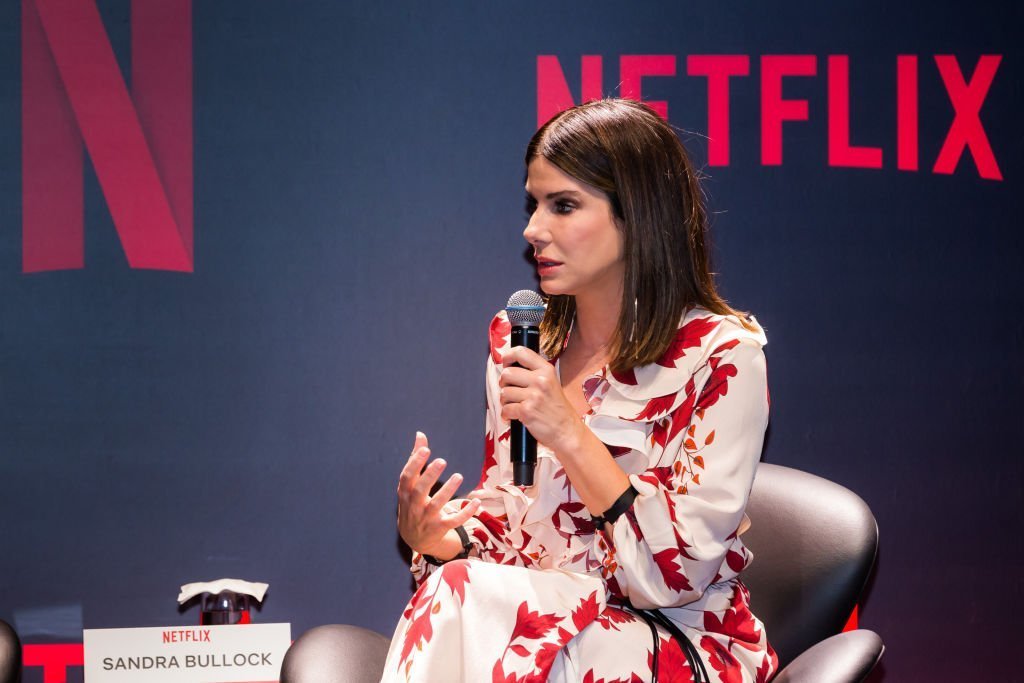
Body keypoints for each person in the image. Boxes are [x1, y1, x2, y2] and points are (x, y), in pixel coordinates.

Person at [383, 98, 777, 682]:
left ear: (638, 215)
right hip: (545, 617)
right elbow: (515, 514)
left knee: (482, 615)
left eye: (563, 205)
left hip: (674, 638)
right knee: (461, 589)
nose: (532, 230)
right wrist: (442, 537)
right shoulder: (520, 344)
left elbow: (673, 578)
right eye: (534, 203)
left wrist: (568, 431)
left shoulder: (722, 358)